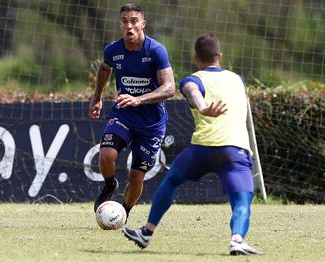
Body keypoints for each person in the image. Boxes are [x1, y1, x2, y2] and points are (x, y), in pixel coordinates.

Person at [122, 34, 261, 256]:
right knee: (241, 197)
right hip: (235, 149)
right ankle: (237, 239)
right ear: (219, 56)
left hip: (202, 148)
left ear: (196, 59)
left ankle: (147, 232)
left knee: (171, 181)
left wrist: (203, 108)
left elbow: (192, 91)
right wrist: (205, 107)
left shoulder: (190, 79)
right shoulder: (237, 80)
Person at [88, 3, 175, 219]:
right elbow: (105, 69)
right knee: (106, 154)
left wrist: (139, 99)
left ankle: (123, 213)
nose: (130, 26)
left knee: (136, 177)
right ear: (120, 24)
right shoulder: (113, 50)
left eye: (134, 21)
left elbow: (169, 88)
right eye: (125, 21)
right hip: (123, 113)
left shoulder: (156, 51)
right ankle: (109, 185)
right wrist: (97, 98)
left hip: (151, 123)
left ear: (143, 24)